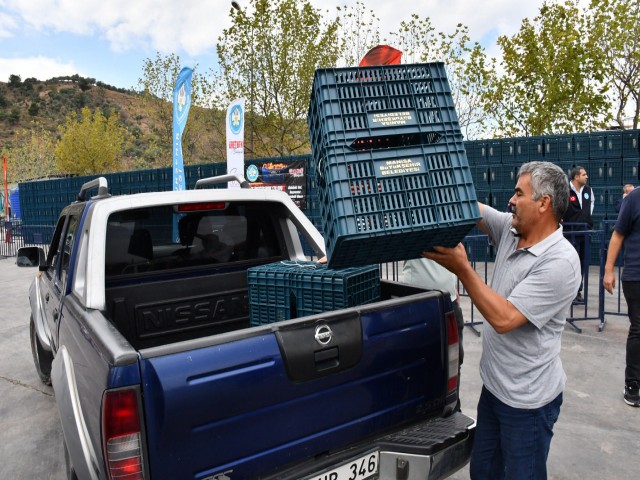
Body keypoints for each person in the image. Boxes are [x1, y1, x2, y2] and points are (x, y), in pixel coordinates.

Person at [424, 161, 581, 479]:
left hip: (528, 404)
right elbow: (474, 209)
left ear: (543, 203)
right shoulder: (512, 230)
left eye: (518, 193)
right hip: (495, 390)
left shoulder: (561, 262)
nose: (511, 200)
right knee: (483, 471)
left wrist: (463, 269)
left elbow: (505, 318)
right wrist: (432, 174)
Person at [402, 258, 464, 405]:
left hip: (449, 299)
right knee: (420, 364)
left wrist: (452, 284)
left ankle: (452, 406)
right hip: (418, 301)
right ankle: (422, 411)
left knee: (454, 361)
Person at [603, 186, 640, 407]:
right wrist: (608, 270)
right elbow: (618, 234)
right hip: (636, 276)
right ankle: (633, 384)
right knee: (638, 328)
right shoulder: (634, 198)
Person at [562, 166, 594, 303]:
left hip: (585, 231)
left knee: (582, 263)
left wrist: (586, 218)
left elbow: (591, 205)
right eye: (584, 174)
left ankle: (577, 291)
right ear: (576, 177)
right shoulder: (565, 191)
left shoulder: (588, 190)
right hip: (570, 232)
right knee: (571, 264)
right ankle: (568, 293)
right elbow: (560, 206)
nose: (586, 177)